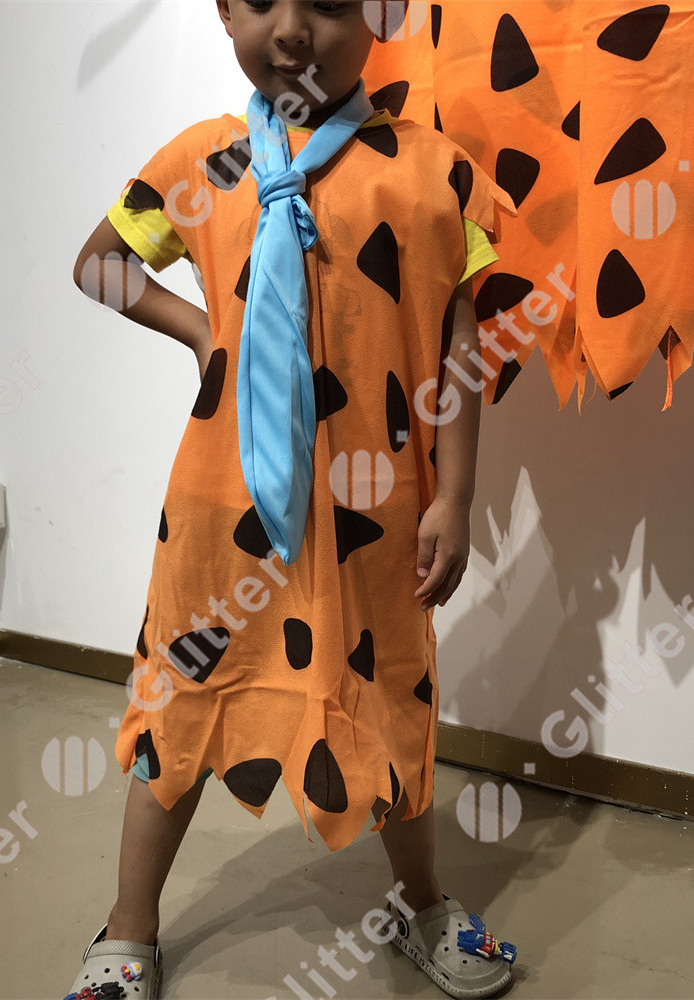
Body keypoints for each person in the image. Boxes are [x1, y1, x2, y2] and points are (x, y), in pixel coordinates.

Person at [66, 2, 519, 997]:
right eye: (264, 0)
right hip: (220, 514)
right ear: (225, 11)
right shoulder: (203, 161)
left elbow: (460, 345)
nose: (292, 30)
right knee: (182, 702)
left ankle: (421, 902)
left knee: (388, 698)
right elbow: (99, 262)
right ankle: (129, 928)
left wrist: (456, 494)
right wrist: (200, 331)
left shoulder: (434, 172)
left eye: (327, 3)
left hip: (373, 516)